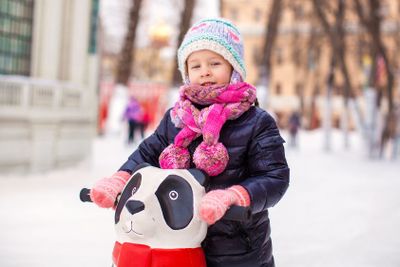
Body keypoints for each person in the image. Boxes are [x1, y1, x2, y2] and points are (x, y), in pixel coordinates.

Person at [90, 18, 290, 267]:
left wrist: (233, 197)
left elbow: (274, 177)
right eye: (195, 66)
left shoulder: (256, 122)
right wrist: (119, 180)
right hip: (176, 242)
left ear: (234, 68)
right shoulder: (176, 118)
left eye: (214, 63)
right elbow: (147, 153)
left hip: (236, 248)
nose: (205, 71)